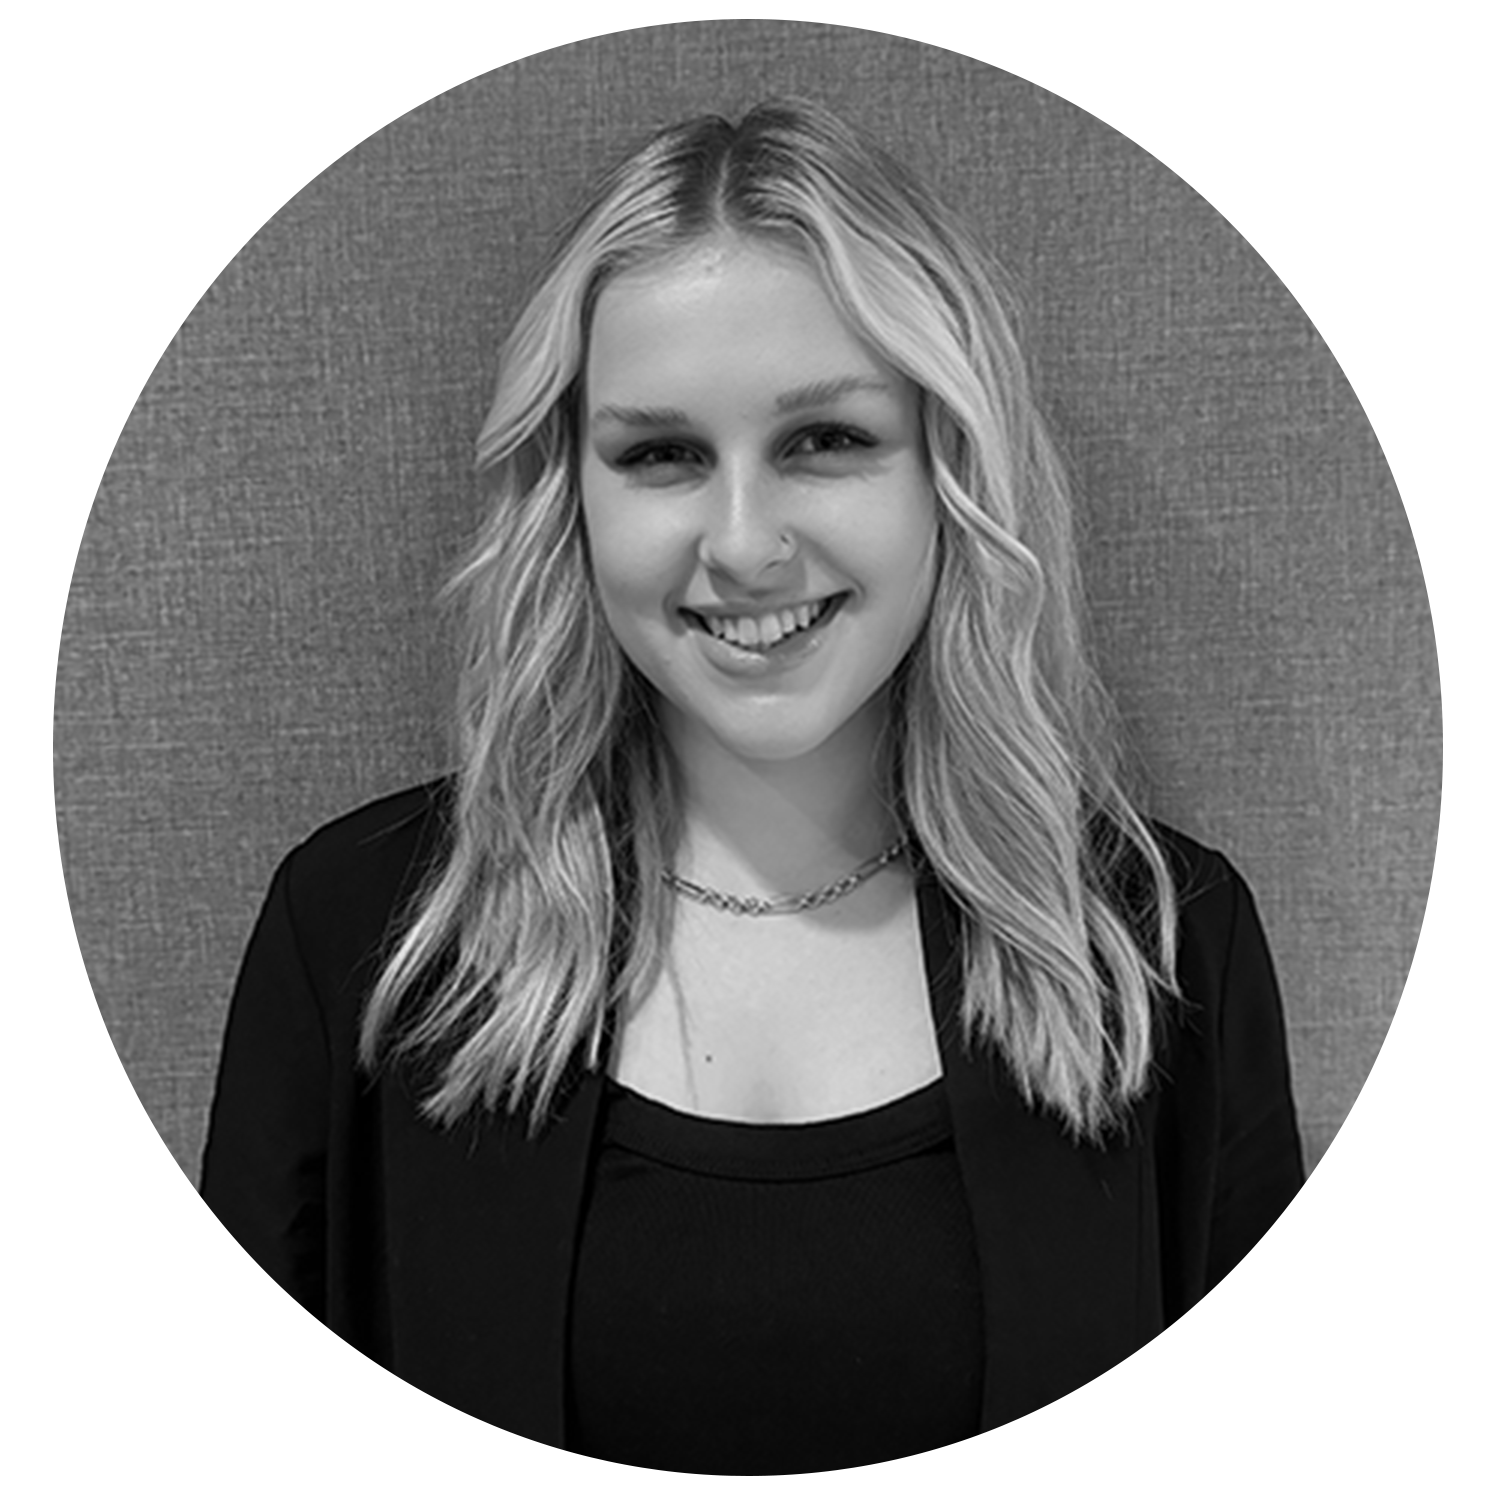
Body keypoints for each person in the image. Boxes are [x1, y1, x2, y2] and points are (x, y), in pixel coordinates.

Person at [173, 99, 1328, 1473]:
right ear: (574, 498)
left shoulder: (1156, 950)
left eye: (823, 440)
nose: (742, 543)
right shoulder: (366, 939)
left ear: (950, 469)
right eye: (661, 454)